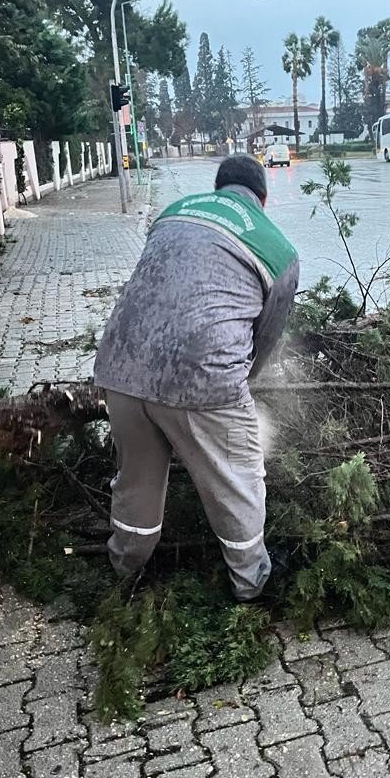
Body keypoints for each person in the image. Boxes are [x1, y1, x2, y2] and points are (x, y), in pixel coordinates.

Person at [93, 155, 299, 601]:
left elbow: (159, 285)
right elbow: (263, 340)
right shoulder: (278, 249)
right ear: (262, 199)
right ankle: (251, 583)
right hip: (202, 379)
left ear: (218, 187)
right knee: (238, 480)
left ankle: (125, 567)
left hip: (119, 365)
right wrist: (243, 388)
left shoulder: (174, 211)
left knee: (136, 482)